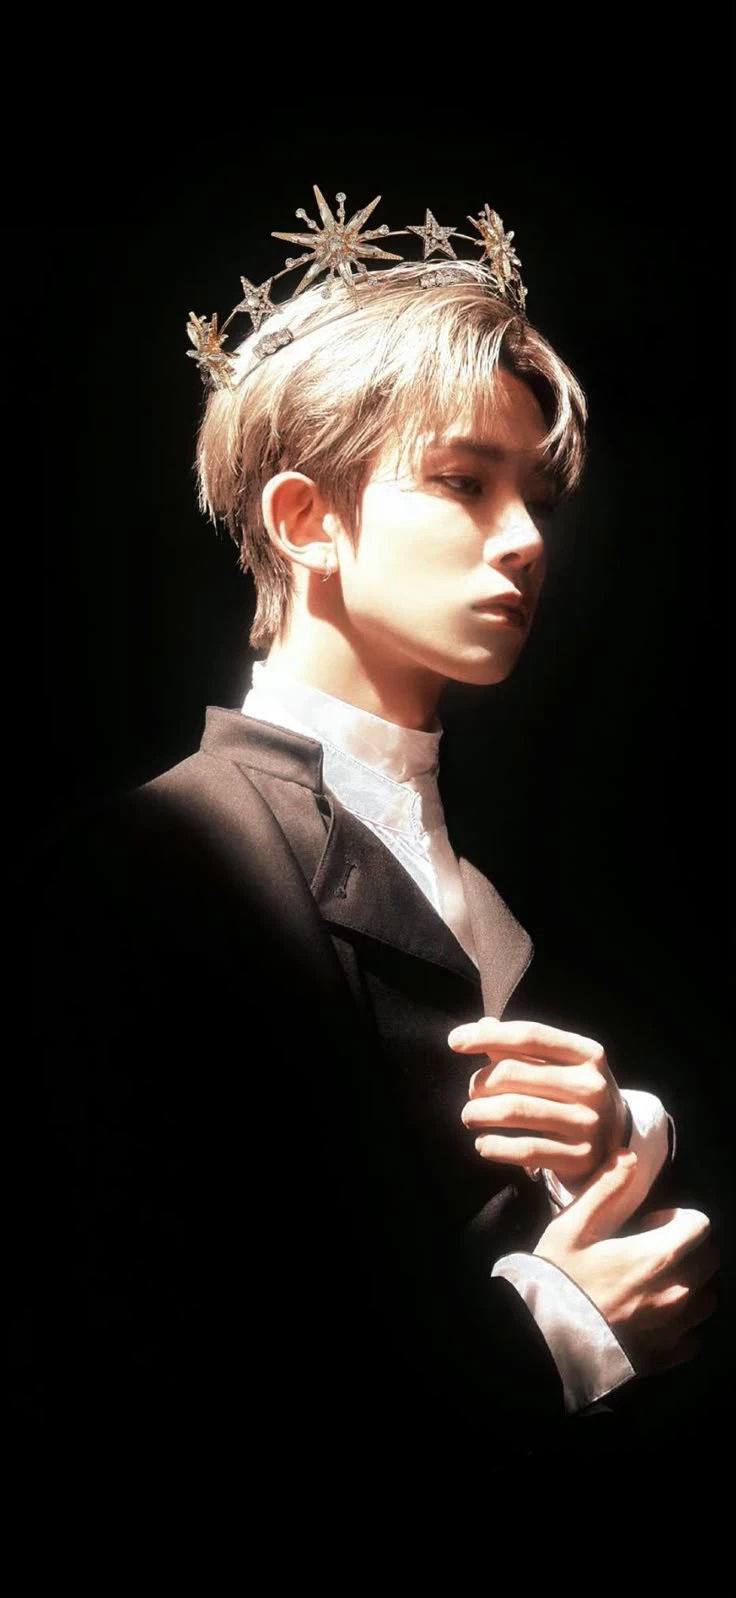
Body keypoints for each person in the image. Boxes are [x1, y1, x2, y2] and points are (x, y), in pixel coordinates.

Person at [10, 189, 718, 1590]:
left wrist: (608, 1145)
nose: (527, 538)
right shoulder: (144, 872)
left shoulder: (508, 884)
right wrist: (555, 1338)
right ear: (305, 518)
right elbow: (158, 1406)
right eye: (463, 482)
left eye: (536, 494)